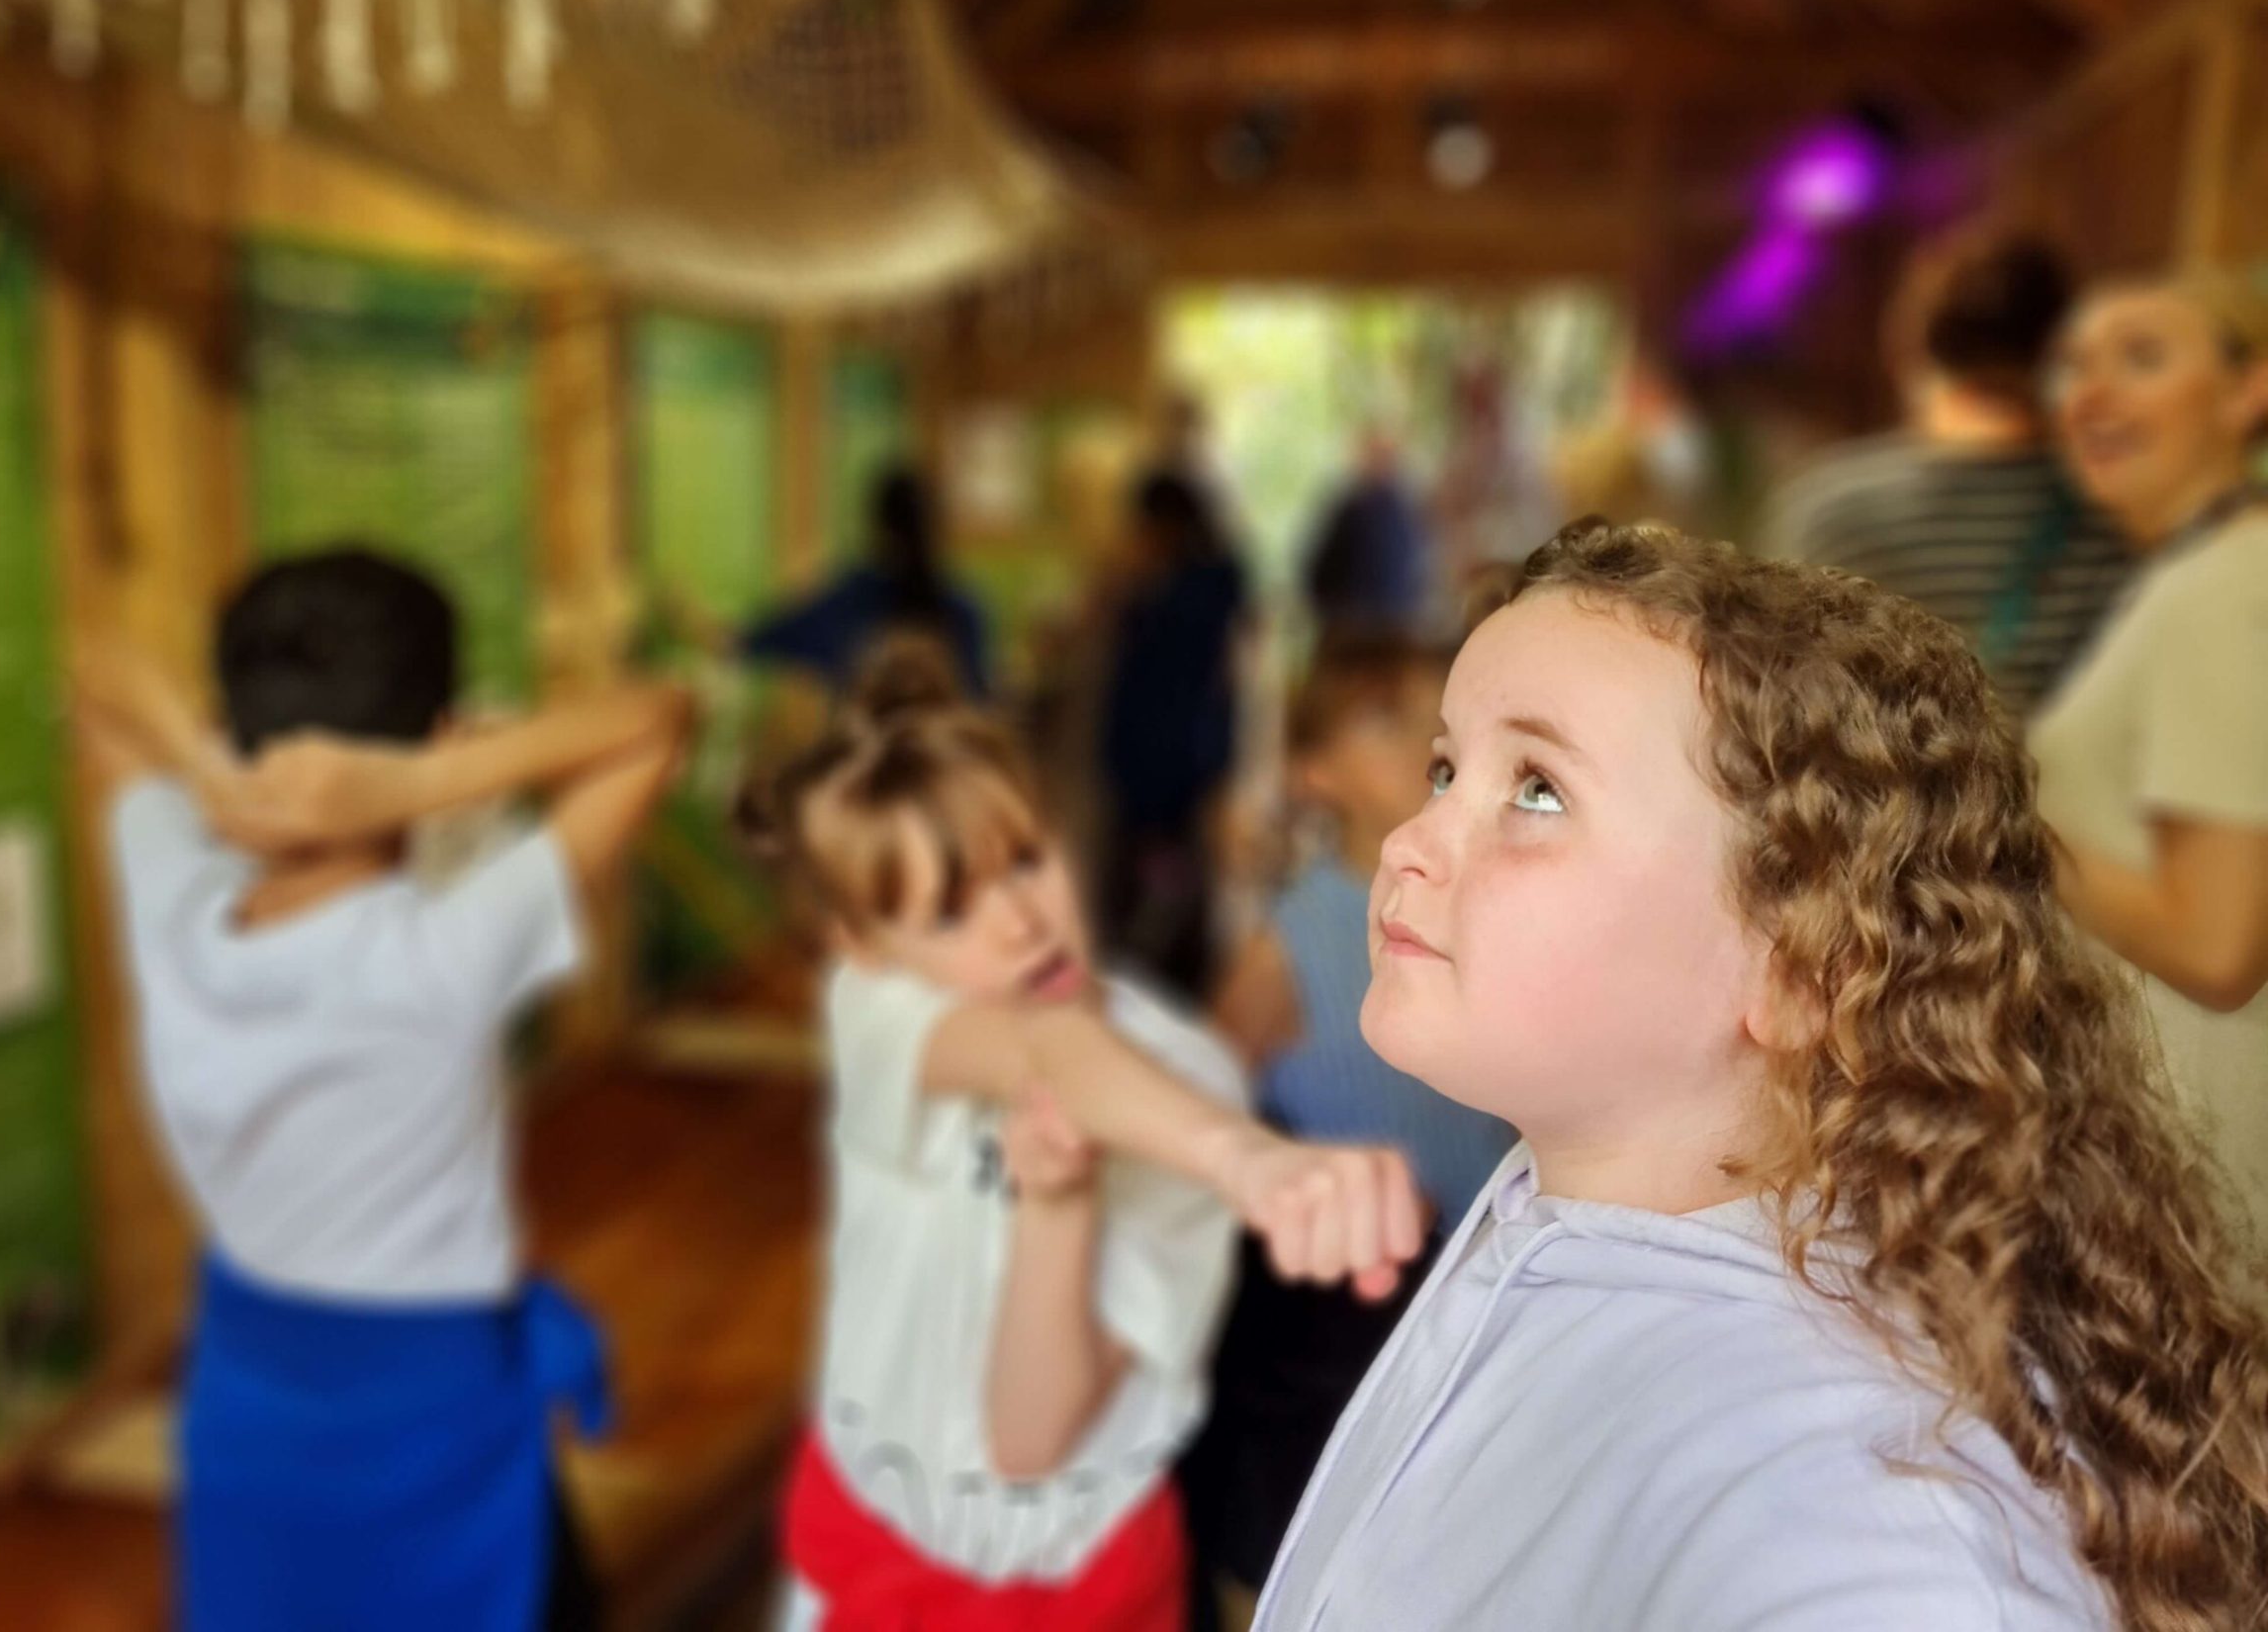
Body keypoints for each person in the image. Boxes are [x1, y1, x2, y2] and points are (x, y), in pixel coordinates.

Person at [1254, 520, 2268, 1631]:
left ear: (1798, 972)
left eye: (1537, 790)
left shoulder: (1857, 1515)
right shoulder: (1560, 1211)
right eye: (1446, 769)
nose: (1411, 838)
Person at [741, 643, 1423, 1632]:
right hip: (873, 1552)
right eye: (949, 912)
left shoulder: (1187, 1077)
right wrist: (1246, 1160)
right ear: (863, 946)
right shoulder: (876, 1010)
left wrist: (1057, 1208)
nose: (1019, 923)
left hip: (1087, 1586)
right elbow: (1047, 1049)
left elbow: (1031, 1440)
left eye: (1025, 861)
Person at [74, 548, 694, 1632]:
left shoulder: (170, 892)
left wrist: (209, 770)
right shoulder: (443, 951)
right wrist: (420, 785)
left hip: (249, 1414)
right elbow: (660, 718)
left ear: (230, 721)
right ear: (445, 737)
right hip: (432, 1427)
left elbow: (98, 674)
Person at [1182, 629, 1518, 1622]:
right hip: (1346, 1328)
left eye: (1435, 728)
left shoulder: (1484, 907)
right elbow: (1195, 1115)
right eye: (1384, 724)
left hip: (1480, 1294)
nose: (1419, 743)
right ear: (1314, 773)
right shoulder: (1290, 941)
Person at [2031, 271, 2268, 1230]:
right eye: (2074, 367)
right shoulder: (2203, 574)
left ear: (2247, 390)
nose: (2090, 396)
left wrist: (1995, 812)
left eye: (2141, 359)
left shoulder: (2226, 591)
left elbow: (2217, 946)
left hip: (2211, 1166)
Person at [1759, 231, 2129, 717]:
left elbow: (1774, 687)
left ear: (1905, 344)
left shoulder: (1826, 504)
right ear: (2059, 354)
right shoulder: (2114, 512)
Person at [1098, 470, 1252, 997]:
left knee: (1164, 894)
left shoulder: (1202, 584)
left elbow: (1225, 678)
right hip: (1164, 760)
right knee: (1165, 887)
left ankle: (1158, 987)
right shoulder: (1195, 580)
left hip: (1175, 763)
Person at [704, 467, 991, 697]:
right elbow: (981, 698)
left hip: (863, 752)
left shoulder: (852, 599)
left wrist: (689, 615)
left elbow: (742, 641)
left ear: (879, 526)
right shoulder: (964, 609)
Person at [1303, 429, 1431, 632]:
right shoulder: (1350, 511)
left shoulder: (1407, 514)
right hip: (1356, 628)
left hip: (1394, 627)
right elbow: (1321, 574)